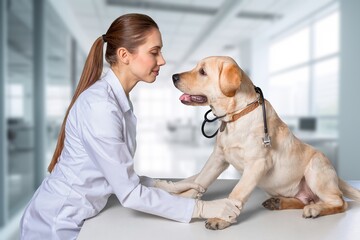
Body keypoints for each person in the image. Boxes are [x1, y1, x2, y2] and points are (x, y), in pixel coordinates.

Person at [19, 13, 241, 239]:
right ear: (124, 55)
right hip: (55, 224)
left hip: (80, 215)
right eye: (154, 52)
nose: (162, 60)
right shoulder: (100, 107)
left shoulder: (115, 99)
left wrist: (166, 186)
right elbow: (130, 193)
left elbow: (117, 174)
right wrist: (203, 209)